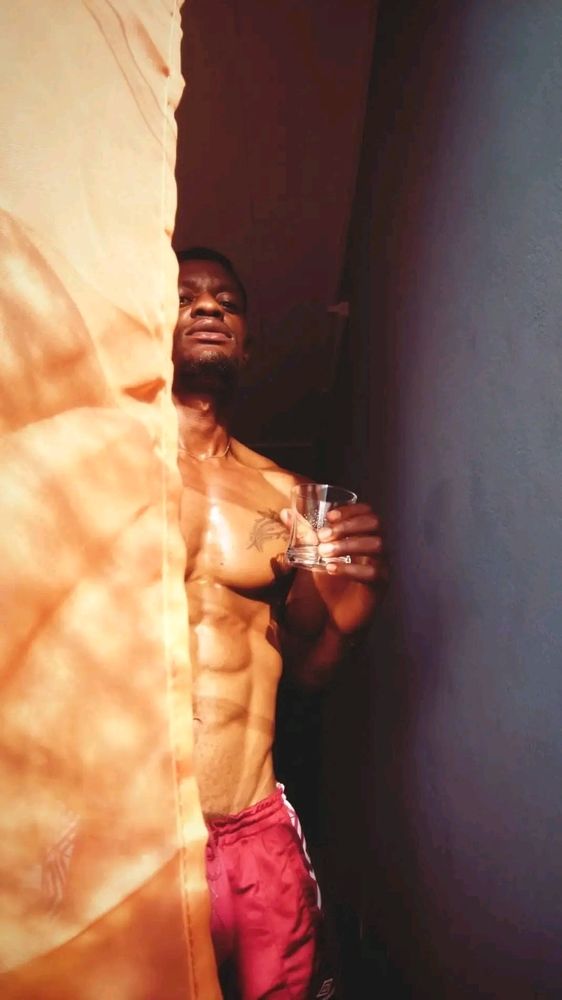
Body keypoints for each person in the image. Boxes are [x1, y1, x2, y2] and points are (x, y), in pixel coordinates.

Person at [172, 246, 388, 999]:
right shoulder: (106, 475)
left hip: (256, 825)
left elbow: (307, 674)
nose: (208, 307)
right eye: (186, 297)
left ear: (247, 343)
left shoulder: (289, 496)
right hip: (140, 833)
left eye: (226, 302)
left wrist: (343, 625)